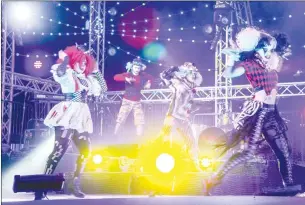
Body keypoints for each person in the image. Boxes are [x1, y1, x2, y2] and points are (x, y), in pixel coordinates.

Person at [204, 27, 296, 194]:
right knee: (247, 153)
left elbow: (276, 53)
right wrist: (231, 58)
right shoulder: (248, 65)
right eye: (265, 48)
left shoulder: (271, 62)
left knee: (284, 150)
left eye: (270, 49)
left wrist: (271, 43)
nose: (269, 51)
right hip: (258, 113)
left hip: (271, 113)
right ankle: (213, 178)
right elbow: (228, 74)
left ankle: (288, 186)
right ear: (256, 49)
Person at [35, 45, 108, 200]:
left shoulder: (87, 79)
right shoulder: (68, 74)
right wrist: (65, 59)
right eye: (80, 62)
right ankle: (41, 187)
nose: (83, 65)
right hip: (67, 114)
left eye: (85, 62)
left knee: (86, 151)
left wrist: (95, 70)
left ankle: (75, 183)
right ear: (74, 62)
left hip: (81, 117)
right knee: (58, 151)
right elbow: (60, 72)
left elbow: (103, 88)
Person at [159, 62, 203, 167]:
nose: (193, 74)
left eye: (193, 73)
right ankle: (164, 162)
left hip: (184, 119)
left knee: (191, 141)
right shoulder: (178, 83)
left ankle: (193, 163)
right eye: (190, 72)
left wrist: (193, 70)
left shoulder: (192, 84)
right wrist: (169, 74)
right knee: (167, 139)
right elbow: (164, 78)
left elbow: (199, 78)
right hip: (173, 117)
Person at [113, 58, 153, 139]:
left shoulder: (143, 75)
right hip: (126, 101)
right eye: (135, 67)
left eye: (138, 68)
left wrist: (149, 83)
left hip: (137, 102)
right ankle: (114, 136)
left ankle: (139, 139)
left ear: (140, 68)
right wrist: (125, 79)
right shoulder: (128, 74)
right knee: (120, 120)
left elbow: (151, 77)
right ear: (132, 67)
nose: (136, 69)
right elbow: (116, 77)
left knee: (140, 121)